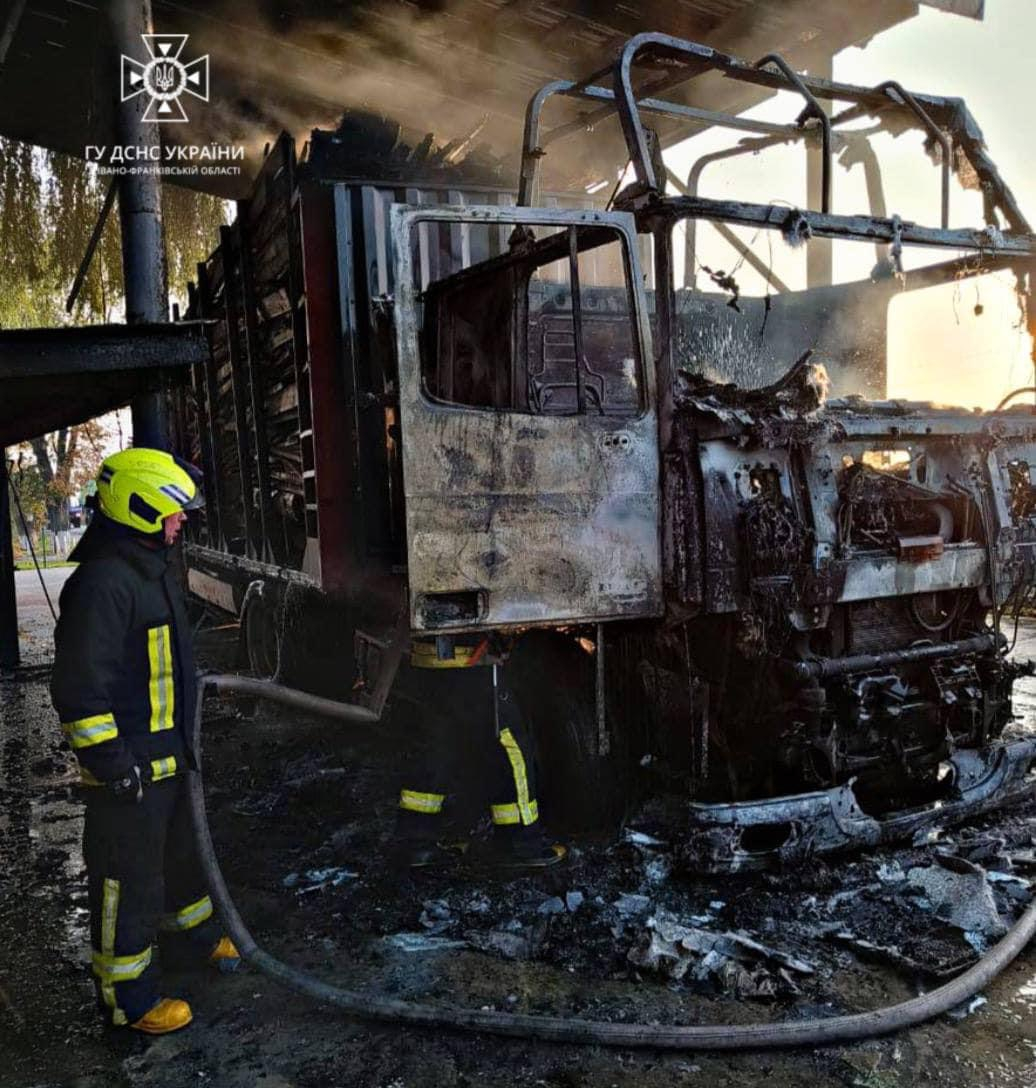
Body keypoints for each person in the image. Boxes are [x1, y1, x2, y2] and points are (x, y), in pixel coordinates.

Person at [50, 448, 238, 1035]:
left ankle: (194, 941)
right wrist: (113, 767)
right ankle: (127, 1000)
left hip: (166, 761)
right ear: (142, 508)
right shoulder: (104, 585)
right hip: (129, 772)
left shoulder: (148, 569)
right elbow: (81, 691)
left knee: (181, 859)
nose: (181, 521)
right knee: (125, 883)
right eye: (174, 511)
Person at [393, 635, 566, 869]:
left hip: (430, 658)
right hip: (471, 657)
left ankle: (415, 842)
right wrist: (502, 632)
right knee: (509, 744)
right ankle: (520, 843)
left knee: (437, 746)